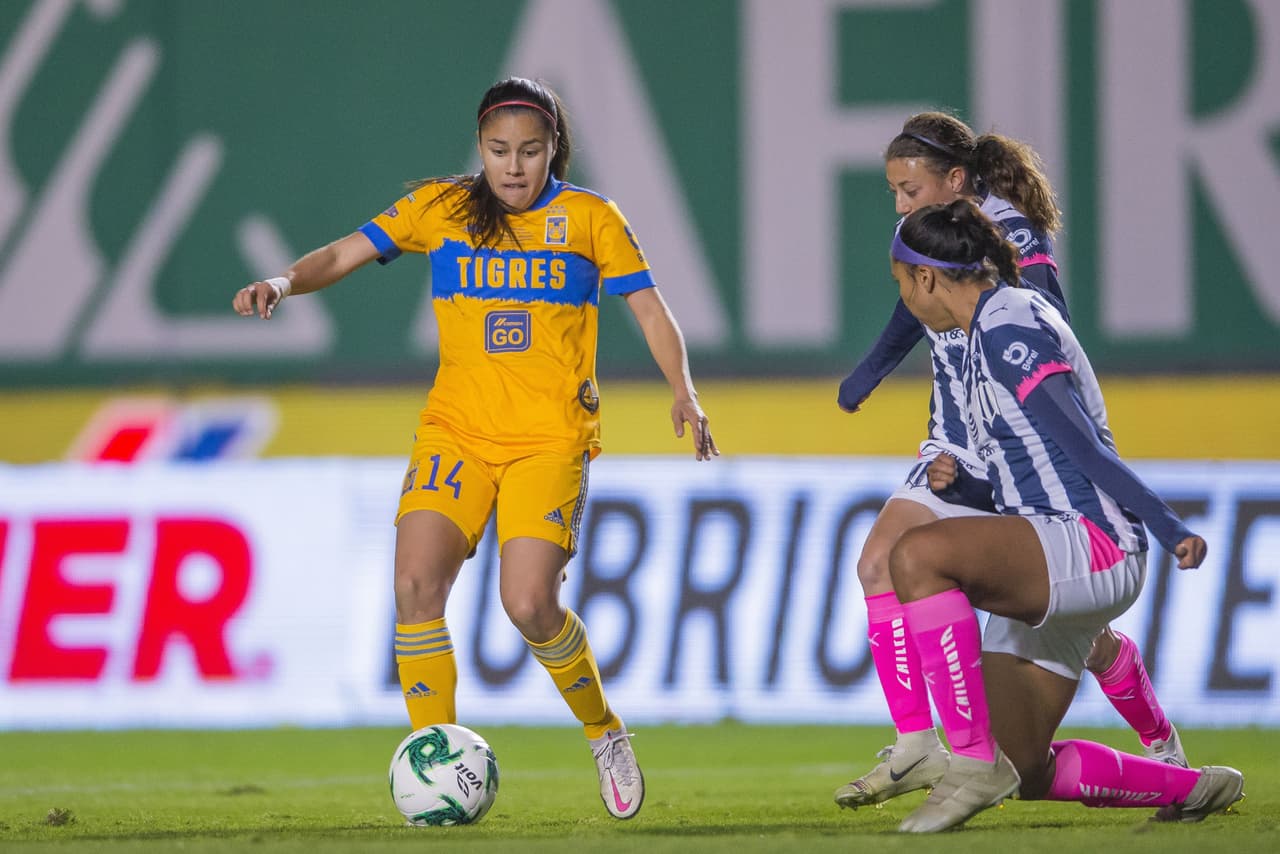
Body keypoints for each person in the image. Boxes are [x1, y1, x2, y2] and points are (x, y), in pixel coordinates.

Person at [232, 76, 718, 820]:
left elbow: (650, 309)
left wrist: (682, 389)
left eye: (530, 151)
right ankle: (436, 760)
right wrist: (282, 280)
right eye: (499, 151)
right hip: (455, 432)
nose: (514, 167)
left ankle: (605, 730)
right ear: (480, 149)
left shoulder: (590, 219)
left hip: (550, 440)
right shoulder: (441, 207)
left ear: (556, 148)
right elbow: (343, 253)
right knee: (415, 588)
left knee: (528, 605)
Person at [833, 112, 1184, 810]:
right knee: (880, 561)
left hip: (1009, 444)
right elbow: (918, 303)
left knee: (1068, 627)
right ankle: (916, 745)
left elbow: (1037, 315)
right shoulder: (931, 232)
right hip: (953, 438)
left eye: (909, 188)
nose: (900, 205)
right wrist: (870, 371)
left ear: (955, 181)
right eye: (895, 192)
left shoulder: (1011, 232)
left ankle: (1160, 741)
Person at [882, 199, 1243, 832]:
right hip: (1059, 551)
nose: (903, 299)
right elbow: (1033, 471)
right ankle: (1191, 788)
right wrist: (967, 484)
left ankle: (966, 760)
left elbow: (1081, 445)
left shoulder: (1006, 327)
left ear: (927, 279)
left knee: (915, 554)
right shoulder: (987, 329)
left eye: (900, 283)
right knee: (1025, 767)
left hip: (1091, 541)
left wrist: (1166, 523)